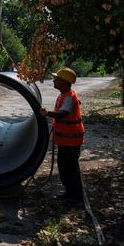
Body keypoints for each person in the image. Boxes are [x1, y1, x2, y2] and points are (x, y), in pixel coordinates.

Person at [39, 67, 85, 204]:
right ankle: (71, 194)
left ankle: (75, 196)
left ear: (65, 82)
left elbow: (63, 114)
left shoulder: (69, 98)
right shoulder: (64, 95)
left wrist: (47, 113)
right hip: (67, 140)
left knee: (69, 168)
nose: (54, 81)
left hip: (71, 141)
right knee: (65, 167)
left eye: (57, 79)